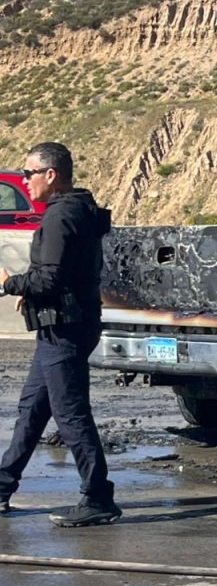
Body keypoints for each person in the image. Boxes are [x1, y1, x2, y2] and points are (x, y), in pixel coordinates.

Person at [0, 142, 119, 525]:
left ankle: (98, 497)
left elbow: (49, 276)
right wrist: (31, 292)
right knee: (32, 411)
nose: (24, 181)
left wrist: (11, 283)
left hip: (64, 329)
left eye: (28, 173)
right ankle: (3, 485)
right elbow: (65, 275)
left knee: (70, 414)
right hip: (62, 325)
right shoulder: (76, 210)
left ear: (50, 175)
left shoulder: (60, 216)